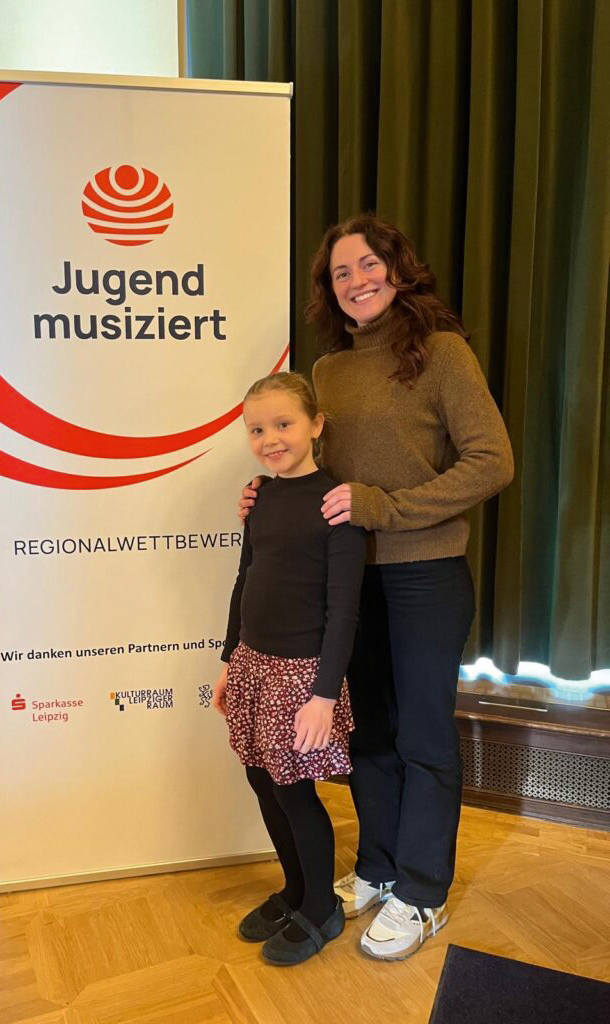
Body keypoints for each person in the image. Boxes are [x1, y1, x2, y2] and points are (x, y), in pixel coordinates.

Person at [239, 214, 514, 961]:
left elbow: (492, 461)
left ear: (397, 269)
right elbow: (316, 476)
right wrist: (268, 497)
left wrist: (386, 508)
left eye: (368, 265)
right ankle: (381, 867)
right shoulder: (328, 371)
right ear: (329, 288)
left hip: (426, 575)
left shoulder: (443, 353)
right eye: (341, 272)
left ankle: (423, 893)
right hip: (350, 583)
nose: (356, 281)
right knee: (368, 736)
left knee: (423, 737)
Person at [213, 371, 367, 967]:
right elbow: (244, 580)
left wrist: (323, 695)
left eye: (283, 424)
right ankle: (296, 889)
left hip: (301, 676)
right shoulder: (260, 497)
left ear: (316, 425)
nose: (270, 438)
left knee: (293, 791)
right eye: (257, 429)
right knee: (260, 779)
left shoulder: (337, 505)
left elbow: (343, 611)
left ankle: (322, 907)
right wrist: (229, 659)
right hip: (252, 664)